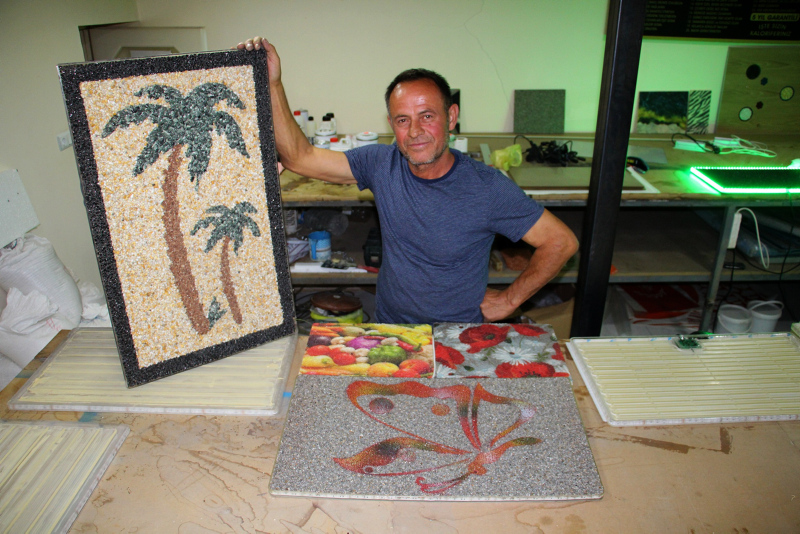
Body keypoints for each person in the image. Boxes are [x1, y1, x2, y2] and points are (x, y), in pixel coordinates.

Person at [238, 37, 579, 325]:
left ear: (451, 117)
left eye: (426, 116)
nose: (414, 132)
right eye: (403, 120)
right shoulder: (381, 164)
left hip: (458, 333)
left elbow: (561, 242)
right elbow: (300, 157)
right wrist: (273, 84)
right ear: (391, 124)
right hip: (392, 326)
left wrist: (508, 300)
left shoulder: (487, 187)